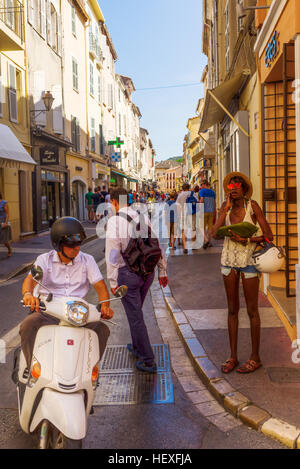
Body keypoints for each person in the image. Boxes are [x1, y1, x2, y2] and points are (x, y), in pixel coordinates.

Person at [20, 217, 114, 369]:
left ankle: (91, 371)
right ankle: (32, 368)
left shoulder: (87, 260)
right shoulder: (44, 260)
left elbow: (101, 286)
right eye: (71, 244)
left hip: (77, 313)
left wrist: (105, 306)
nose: (76, 248)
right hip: (48, 311)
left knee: (102, 330)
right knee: (28, 325)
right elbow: (30, 280)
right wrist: (28, 295)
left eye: (78, 243)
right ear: (58, 245)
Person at [212, 172, 273, 374]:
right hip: (229, 261)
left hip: (248, 262)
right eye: (231, 186)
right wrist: (224, 212)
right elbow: (213, 234)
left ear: (245, 189)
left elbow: (269, 236)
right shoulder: (225, 207)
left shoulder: (253, 207)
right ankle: (233, 357)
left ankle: (255, 358)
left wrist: (248, 240)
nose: (234, 188)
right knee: (232, 310)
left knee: (252, 310)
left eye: (238, 185)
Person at [105, 187, 168, 373]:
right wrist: (163, 271)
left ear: (115, 202)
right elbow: (155, 244)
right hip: (147, 273)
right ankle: (137, 346)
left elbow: (112, 254)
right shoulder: (143, 217)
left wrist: (112, 281)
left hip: (128, 274)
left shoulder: (114, 221)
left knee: (135, 317)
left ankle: (148, 359)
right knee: (136, 313)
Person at [176, 183, 198, 254]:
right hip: (192, 213)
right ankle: (193, 245)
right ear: (189, 187)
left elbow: (177, 206)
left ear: (182, 188)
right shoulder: (193, 193)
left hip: (183, 214)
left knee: (183, 230)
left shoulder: (180, 195)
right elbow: (197, 202)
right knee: (193, 229)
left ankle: (185, 247)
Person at [199, 180, 216, 249]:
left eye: (201, 184)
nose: (200, 186)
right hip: (211, 211)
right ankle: (209, 241)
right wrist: (215, 211)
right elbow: (214, 202)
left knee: (201, 227)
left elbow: (202, 200)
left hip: (204, 211)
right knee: (210, 227)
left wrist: (199, 204)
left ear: (204, 184)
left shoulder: (202, 191)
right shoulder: (212, 192)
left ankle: (206, 240)